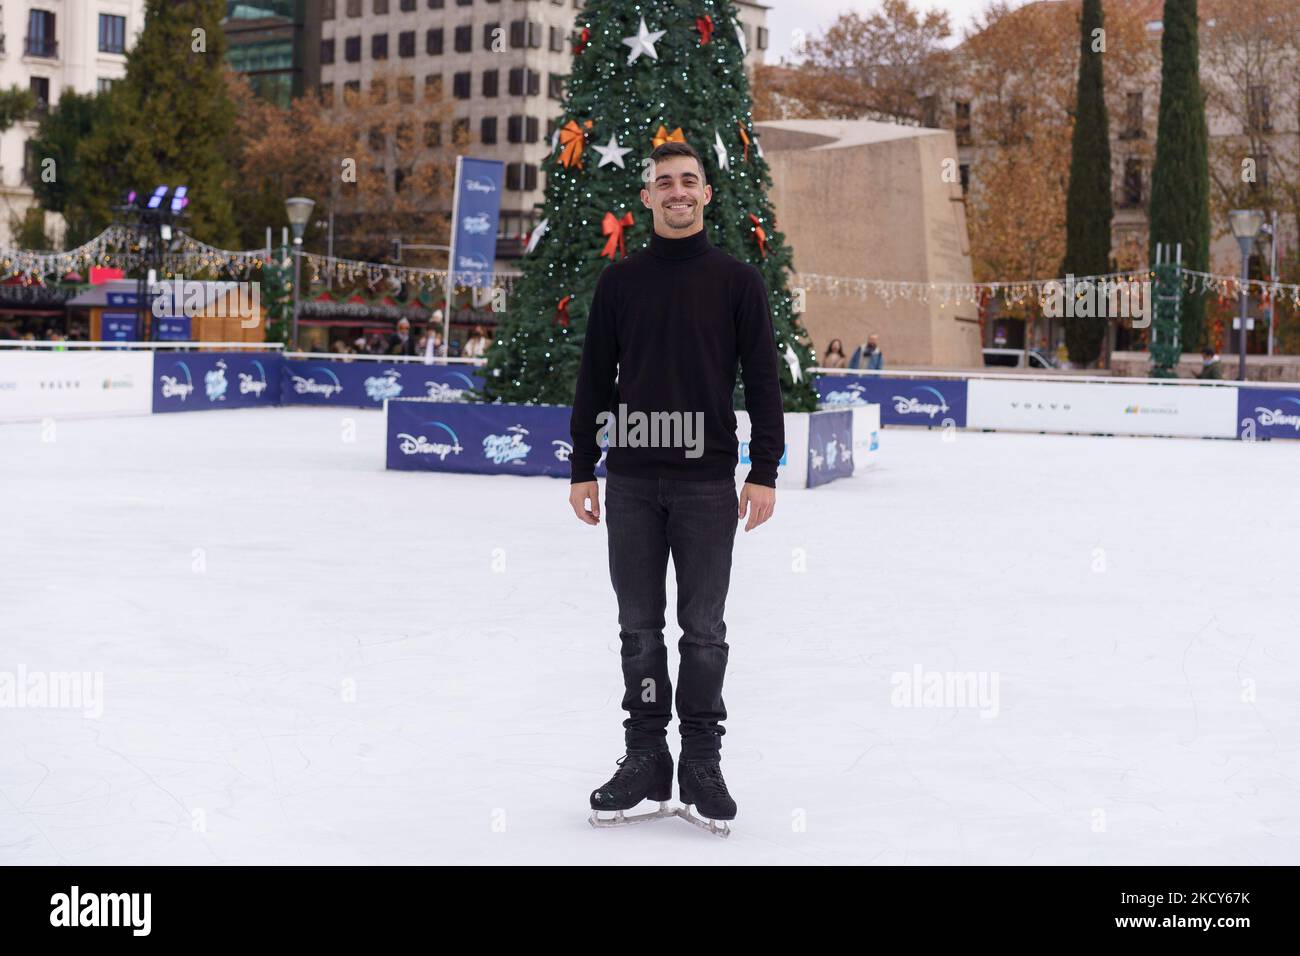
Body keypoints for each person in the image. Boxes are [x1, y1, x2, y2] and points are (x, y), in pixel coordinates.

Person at [568, 140, 784, 833]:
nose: (678, 191)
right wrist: (581, 466)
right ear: (648, 197)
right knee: (638, 630)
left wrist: (765, 471)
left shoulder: (737, 281)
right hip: (630, 482)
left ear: (706, 194)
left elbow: (763, 380)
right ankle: (645, 755)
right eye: (665, 182)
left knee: (703, 631)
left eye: (689, 181)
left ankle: (700, 759)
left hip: (706, 487)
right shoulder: (621, 282)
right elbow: (594, 379)